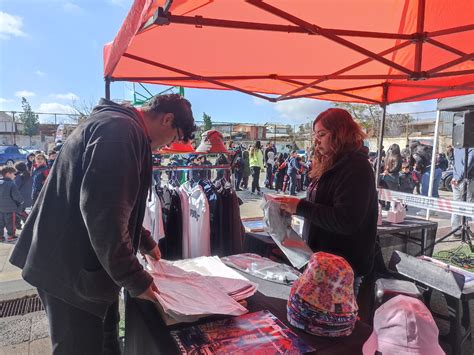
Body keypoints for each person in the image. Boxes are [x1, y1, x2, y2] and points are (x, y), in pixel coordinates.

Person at [10, 94, 196, 354]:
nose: (166, 146)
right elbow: (103, 215)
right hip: (71, 273)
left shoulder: (118, 126)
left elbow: (115, 203)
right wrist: (136, 279)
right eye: (174, 138)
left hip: (84, 268)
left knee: (106, 341)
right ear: (167, 119)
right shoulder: (119, 131)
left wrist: (143, 240)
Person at [279, 108, 378, 295]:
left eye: (322, 134)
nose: (317, 141)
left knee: (334, 323)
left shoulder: (356, 167)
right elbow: (323, 201)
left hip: (342, 270)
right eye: (316, 135)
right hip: (322, 264)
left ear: (340, 133)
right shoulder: (331, 162)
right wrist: (295, 205)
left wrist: (301, 207)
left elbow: (345, 220)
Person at [450, 147, 473, 237]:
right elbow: (467, 166)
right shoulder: (471, 149)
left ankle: (455, 230)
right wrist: (458, 178)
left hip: (456, 180)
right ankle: (460, 228)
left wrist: (455, 177)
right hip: (465, 181)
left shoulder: (457, 148)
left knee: (456, 205)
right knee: (470, 205)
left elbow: (455, 164)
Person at [0, 166, 24, 242]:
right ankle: (11, 235)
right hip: (10, 208)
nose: (15, 175)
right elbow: (16, 195)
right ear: (8, 174)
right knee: (10, 222)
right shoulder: (11, 184)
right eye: (13, 174)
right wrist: (21, 201)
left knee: (0, 222)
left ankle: (0, 236)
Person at [14, 162, 33, 230]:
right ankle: (19, 225)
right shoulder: (29, 175)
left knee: (18, 212)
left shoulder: (19, 177)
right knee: (20, 211)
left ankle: (27, 222)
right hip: (28, 198)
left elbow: (15, 188)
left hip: (20, 198)